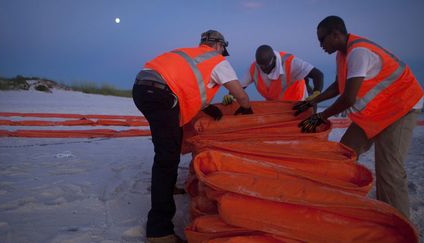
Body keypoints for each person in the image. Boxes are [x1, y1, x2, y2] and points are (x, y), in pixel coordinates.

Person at [294, 15, 423, 218]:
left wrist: (321, 116)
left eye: (322, 40)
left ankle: (397, 223)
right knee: (344, 154)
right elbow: (339, 85)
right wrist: (312, 101)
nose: (320, 45)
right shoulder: (342, 54)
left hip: (400, 108)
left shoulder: (358, 53)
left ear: (336, 34)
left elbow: (348, 99)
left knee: (389, 171)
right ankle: (340, 200)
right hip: (376, 112)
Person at [132, 30, 253, 243]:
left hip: (144, 88)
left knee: (172, 140)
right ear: (219, 46)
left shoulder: (188, 55)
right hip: (160, 94)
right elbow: (239, 93)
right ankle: (159, 231)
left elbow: (187, 86)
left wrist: (205, 108)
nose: (223, 53)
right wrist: (246, 109)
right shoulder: (216, 60)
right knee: (166, 158)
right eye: (224, 49)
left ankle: (168, 187)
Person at [222, 44, 324, 106]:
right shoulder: (254, 68)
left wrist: (316, 93)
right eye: (261, 66)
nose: (264, 69)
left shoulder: (291, 62)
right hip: (275, 107)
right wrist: (231, 95)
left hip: (297, 103)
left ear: (274, 59)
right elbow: (240, 86)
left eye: (267, 66)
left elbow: (318, 75)